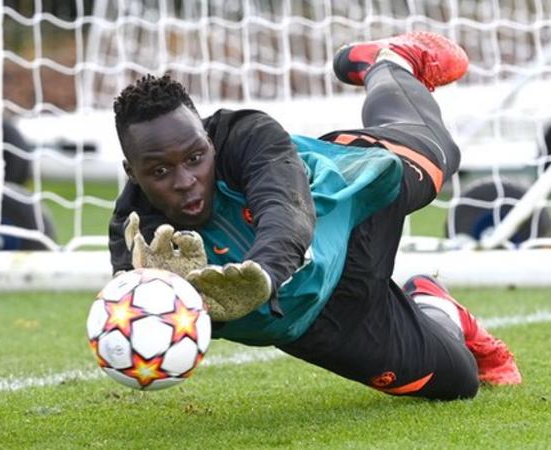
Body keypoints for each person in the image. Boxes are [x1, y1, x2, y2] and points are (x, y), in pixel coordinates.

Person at [108, 31, 521, 401]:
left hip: (354, 196)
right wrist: (168, 308)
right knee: (459, 381)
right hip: (321, 312)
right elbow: (144, 320)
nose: (184, 180)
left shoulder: (246, 135)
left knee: (439, 155)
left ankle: (388, 62)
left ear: (207, 138)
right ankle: (433, 300)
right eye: (160, 171)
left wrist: (263, 275)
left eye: (196, 157)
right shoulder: (138, 241)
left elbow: (286, 211)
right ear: (133, 173)